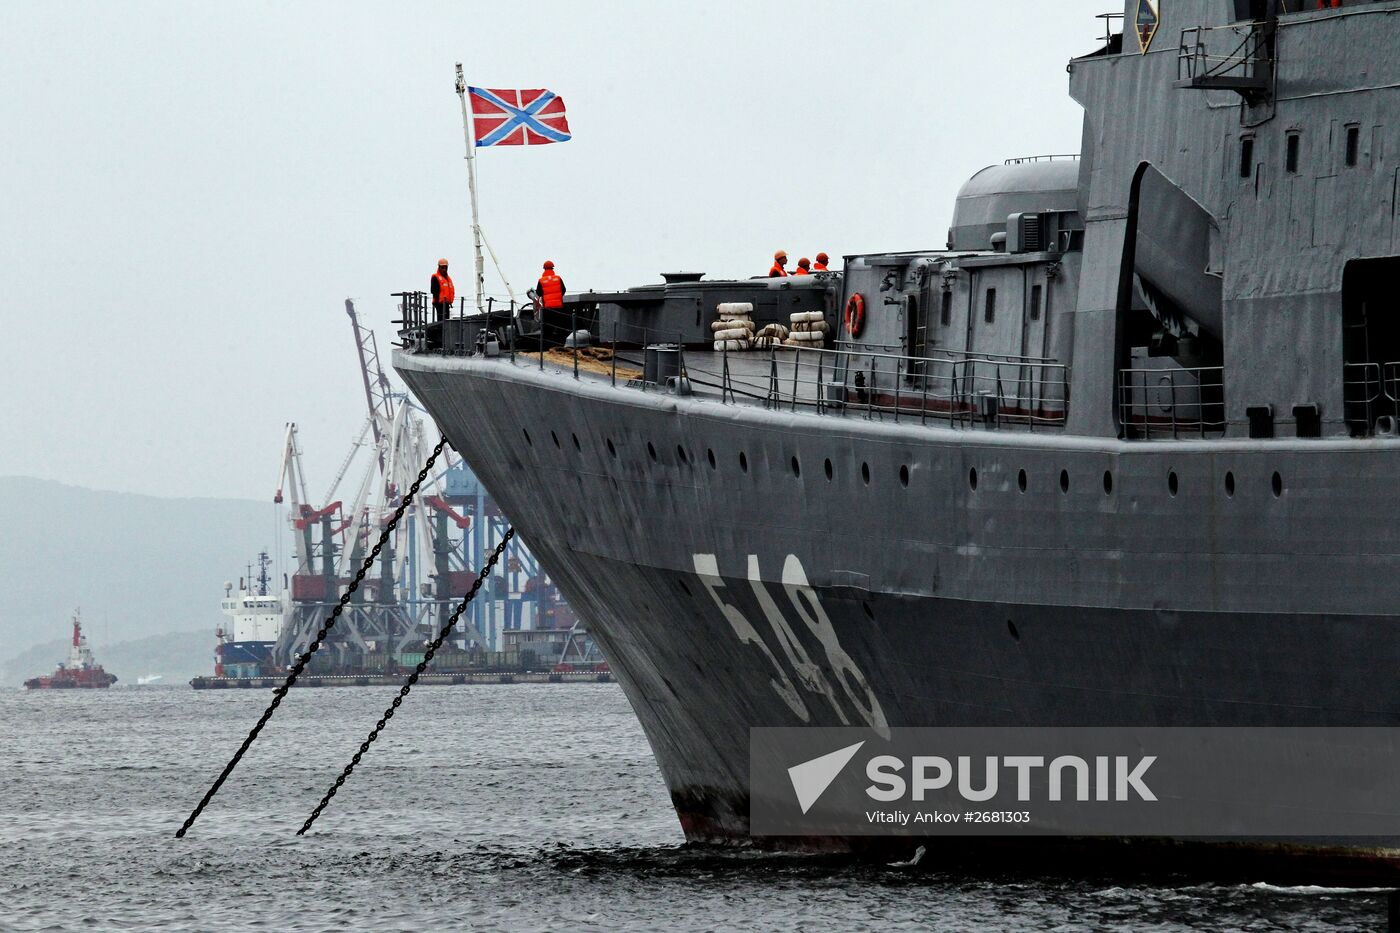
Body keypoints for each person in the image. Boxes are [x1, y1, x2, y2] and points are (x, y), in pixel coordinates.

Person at [536, 260, 567, 347]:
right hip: (558, 306)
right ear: (553, 268)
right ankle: (560, 344)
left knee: (547, 327)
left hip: (548, 307)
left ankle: (548, 346)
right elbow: (564, 290)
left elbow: (538, 293)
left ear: (544, 269)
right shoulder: (558, 278)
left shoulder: (541, 280)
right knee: (559, 326)